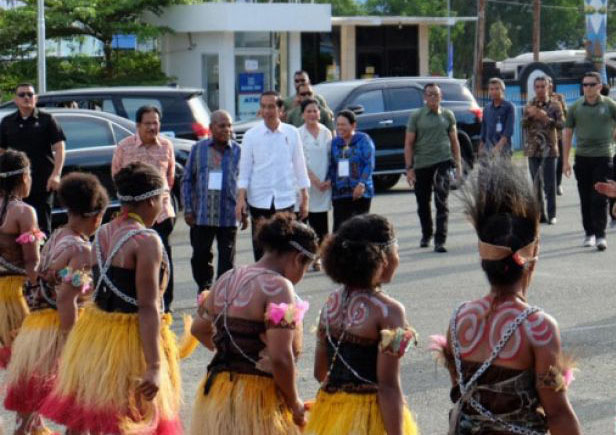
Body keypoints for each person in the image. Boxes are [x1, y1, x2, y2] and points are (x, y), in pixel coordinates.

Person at [430, 157, 581, 435]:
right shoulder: (539, 327)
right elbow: (558, 414)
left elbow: (461, 396)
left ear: (483, 258)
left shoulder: (459, 319)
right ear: (532, 254)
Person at [41, 162, 182, 434]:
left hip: (98, 334)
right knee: (132, 419)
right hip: (129, 341)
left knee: (104, 418)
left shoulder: (104, 231)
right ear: (151, 200)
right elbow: (148, 305)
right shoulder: (146, 239)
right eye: (163, 200)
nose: (162, 207)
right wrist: (153, 366)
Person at [189, 213, 318, 435]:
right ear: (298, 258)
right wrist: (294, 402)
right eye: (306, 268)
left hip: (218, 394)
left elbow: (198, 328)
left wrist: (231, 352)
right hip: (258, 401)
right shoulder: (279, 287)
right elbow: (281, 358)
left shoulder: (226, 278)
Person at [5, 172, 107, 435]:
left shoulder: (57, 235)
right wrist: (73, 342)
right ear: (96, 217)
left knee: (30, 406)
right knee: (82, 405)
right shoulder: (82, 250)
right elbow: (66, 298)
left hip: (35, 329)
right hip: (60, 329)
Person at [305, 214, 418, 435]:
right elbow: (388, 387)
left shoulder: (331, 303)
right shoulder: (389, 311)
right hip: (369, 419)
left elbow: (320, 371)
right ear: (382, 257)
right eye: (396, 249)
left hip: (330, 414)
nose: (398, 257)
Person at [112, 105, 177, 309]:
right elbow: (117, 177)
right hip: (133, 217)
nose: (152, 127)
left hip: (161, 214)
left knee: (163, 257)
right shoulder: (124, 147)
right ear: (138, 125)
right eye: (147, 123)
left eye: (155, 123)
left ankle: (165, 303)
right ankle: (140, 300)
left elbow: (170, 179)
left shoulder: (166, 146)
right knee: (136, 258)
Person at [236, 91, 310, 261]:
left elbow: (299, 165)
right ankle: (262, 284)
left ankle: (282, 284)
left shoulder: (291, 133)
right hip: (259, 200)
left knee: (285, 247)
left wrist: (305, 195)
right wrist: (241, 199)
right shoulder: (251, 136)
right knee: (261, 248)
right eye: (263, 107)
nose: (267, 111)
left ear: (280, 109)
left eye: (271, 106)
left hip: (285, 199)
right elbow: (245, 169)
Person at [182, 110, 243, 292]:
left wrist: (244, 210)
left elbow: (245, 182)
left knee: (227, 260)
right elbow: (186, 179)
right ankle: (205, 290)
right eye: (222, 125)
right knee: (200, 256)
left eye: (229, 125)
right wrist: (187, 209)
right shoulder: (198, 149)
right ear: (211, 128)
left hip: (228, 215)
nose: (227, 129)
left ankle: (222, 294)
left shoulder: (238, 151)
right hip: (202, 215)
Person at [0, 83, 66, 235]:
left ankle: (42, 257)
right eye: (22, 95)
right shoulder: (7, 122)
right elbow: (1, 151)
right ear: (15, 100)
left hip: (43, 181)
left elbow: (60, 148)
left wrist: (56, 174)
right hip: (15, 183)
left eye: (30, 94)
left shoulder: (47, 120)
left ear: (36, 98)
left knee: (42, 225)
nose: (26, 98)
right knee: (16, 221)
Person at [405, 83, 462, 252]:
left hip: (442, 162)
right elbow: (408, 143)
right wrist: (409, 168)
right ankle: (426, 234)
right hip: (422, 163)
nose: (433, 97)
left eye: (436, 94)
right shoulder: (417, 116)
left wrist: (458, 165)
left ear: (441, 97)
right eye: (429, 94)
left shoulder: (447, 115)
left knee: (441, 201)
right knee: (423, 202)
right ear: (424, 97)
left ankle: (440, 240)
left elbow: (454, 140)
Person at [563, 71, 616, 251]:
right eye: (584, 84)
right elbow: (567, 133)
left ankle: (601, 235)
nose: (587, 88)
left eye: (591, 84)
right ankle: (589, 234)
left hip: (603, 156)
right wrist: (565, 161)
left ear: (599, 86)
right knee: (585, 197)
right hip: (582, 157)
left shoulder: (609, 105)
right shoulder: (576, 107)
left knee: (599, 196)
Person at [0, 150, 40, 369]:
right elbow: (32, 262)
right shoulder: (23, 212)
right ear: (25, 177)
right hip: (16, 297)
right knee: (27, 364)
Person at [522, 76, 564, 225]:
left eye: (543, 86)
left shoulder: (555, 105)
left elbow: (561, 125)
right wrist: (529, 116)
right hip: (533, 149)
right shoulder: (530, 104)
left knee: (550, 183)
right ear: (534, 88)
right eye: (537, 87)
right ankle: (540, 214)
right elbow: (523, 124)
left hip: (549, 149)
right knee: (535, 184)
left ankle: (552, 214)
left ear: (548, 87)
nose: (540, 89)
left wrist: (546, 118)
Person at [298, 99, 333, 271]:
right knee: (304, 224)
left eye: (315, 111)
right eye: (309, 111)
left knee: (321, 224)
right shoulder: (298, 133)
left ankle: (319, 257)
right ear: (303, 114)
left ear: (320, 113)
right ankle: (305, 257)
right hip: (306, 185)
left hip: (324, 185)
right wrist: (314, 180)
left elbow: (332, 157)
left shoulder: (326, 132)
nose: (312, 114)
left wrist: (328, 179)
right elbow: (300, 162)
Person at [328, 110, 375, 232]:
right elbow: (333, 165)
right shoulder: (335, 142)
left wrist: (361, 184)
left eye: (343, 124)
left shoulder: (363, 139)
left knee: (360, 228)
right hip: (340, 193)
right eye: (338, 124)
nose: (340, 128)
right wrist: (330, 182)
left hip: (360, 192)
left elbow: (369, 164)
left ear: (353, 125)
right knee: (340, 229)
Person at [479, 77, 515, 157]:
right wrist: (481, 147)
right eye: (491, 89)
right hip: (488, 150)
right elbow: (484, 130)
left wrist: (497, 148)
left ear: (502, 90)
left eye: (497, 89)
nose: (494, 91)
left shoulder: (509, 107)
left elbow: (508, 131)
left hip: (503, 151)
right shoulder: (487, 108)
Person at [547, 77, 567, 196]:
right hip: (544, 136)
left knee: (559, 161)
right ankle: (548, 185)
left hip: (558, 135)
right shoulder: (537, 99)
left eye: (549, 83)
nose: (548, 86)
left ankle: (558, 184)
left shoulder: (559, 97)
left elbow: (565, 113)